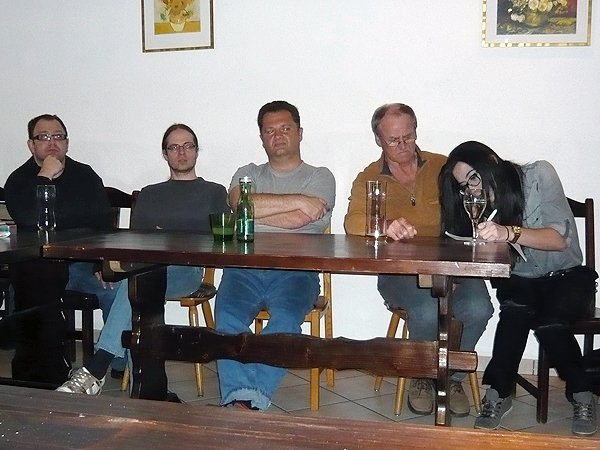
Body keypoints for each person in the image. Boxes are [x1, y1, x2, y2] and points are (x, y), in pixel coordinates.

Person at [55, 123, 230, 396]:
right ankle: (136, 383)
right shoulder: (150, 193)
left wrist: (169, 237)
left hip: (187, 270)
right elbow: (137, 243)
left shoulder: (214, 192)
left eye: (188, 146)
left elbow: (219, 240)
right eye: (174, 147)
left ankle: (97, 368)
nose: (182, 152)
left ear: (197, 151)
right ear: (165, 154)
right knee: (136, 282)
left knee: (136, 284)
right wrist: (110, 265)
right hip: (146, 267)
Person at [439, 140, 598, 436]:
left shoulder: (538, 175)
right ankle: (498, 393)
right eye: (464, 186)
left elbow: (559, 241)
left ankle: (582, 395)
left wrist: (508, 232)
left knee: (550, 322)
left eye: (474, 177)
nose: (473, 189)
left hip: (568, 275)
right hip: (521, 278)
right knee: (514, 311)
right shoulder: (479, 205)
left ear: (491, 161)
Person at [344, 104, 492, 417]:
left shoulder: (442, 166)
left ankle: (450, 378)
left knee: (479, 308)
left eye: (408, 137)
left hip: (453, 264)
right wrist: (384, 225)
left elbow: (477, 197)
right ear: (378, 140)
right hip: (400, 272)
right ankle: (423, 377)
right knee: (426, 309)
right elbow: (352, 222)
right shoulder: (370, 177)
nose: (403, 145)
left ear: (416, 131)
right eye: (393, 140)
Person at [215, 100, 335, 410]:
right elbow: (237, 202)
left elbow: (301, 220)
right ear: (261, 138)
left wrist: (253, 212)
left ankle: (244, 399)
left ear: (300, 133)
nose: (277, 136)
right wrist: (299, 200)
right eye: (270, 131)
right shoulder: (247, 172)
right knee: (227, 319)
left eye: (285, 128)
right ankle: (245, 398)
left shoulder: (321, 176)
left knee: (285, 322)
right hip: (244, 267)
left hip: (298, 271)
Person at [4, 113, 119, 384]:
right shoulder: (19, 180)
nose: (52, 142)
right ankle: (43, 367)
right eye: (43, 137)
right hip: (38, 267)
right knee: (33, 287)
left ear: (67, 142)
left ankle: (117, 360)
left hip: (83, 265)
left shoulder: (85, 175)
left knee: (117, 289)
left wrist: (100, 263)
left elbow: (103, 223)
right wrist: (44, 177)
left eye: (58, 136)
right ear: (31, 145)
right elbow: (29, 218)